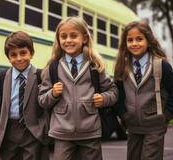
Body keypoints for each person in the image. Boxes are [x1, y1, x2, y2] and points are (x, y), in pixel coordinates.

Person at [38, 16, 118, 160]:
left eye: (74, 36)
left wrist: (104, 98)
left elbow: (113, 92)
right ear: (58, 40)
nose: (68, 40)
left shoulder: (95, 66)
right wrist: (53, 94)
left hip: (90, 132)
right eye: (63, 36)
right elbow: (42, 100)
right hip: (62, 133)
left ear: (85, 38)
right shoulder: (53, 68)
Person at [113, 20, 173, 160]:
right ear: (125, 44)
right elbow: (118, 94)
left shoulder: (160, 65)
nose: (134, 43)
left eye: (139, 39)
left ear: (149, 41)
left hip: (155, 126)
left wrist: (167, 115)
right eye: (130, 40)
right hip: (132, 125)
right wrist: (123, 115)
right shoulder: (122, 66)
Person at [0, 31, 48, 160]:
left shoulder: (41, 76)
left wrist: (44, 129)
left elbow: (47, 106)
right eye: (13, 55)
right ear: (8, 57)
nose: (19, 58)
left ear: (31, 53)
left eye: (23, 53)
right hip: (7, 133)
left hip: (33, 132)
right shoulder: (0, 79)